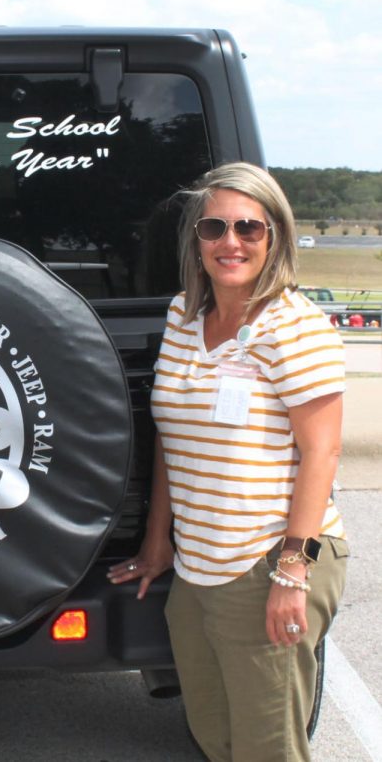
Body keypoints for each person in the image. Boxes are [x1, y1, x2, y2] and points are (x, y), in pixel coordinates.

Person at [107, 162, 348, 761]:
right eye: (214, 227)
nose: (231, 242)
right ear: (196, 239)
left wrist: (292, 574)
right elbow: (172, 439)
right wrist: (158, 543)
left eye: (250, 228)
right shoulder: (183, 316)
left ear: (277, 238)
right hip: (198, 569)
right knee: (214, 736)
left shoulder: (295, 327)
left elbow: (323, 451)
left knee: (267, 750)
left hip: (266, 560)